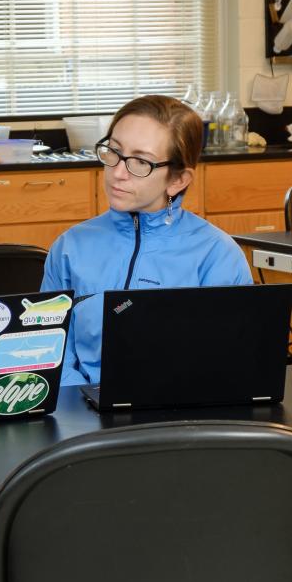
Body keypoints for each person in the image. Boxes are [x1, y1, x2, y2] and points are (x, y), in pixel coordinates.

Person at [41, 94, 253, 385]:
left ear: (177, 180)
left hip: (183, 408)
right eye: (114, 151)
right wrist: (82, 402)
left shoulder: (217, 255)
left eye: (141, 162)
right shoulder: (69, 247)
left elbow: (230, 365)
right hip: (83, 407)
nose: (117, 173)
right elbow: (51, 355)